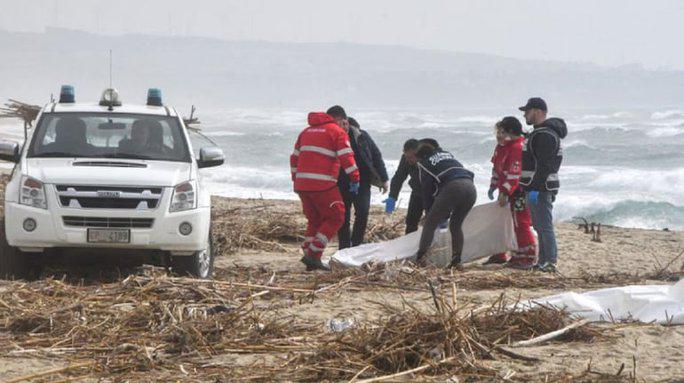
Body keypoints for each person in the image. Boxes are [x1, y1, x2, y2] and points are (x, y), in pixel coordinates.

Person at [290, 111, 361, 271]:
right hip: (322, 184)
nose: (345, 126)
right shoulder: (336, 132)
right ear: (338, 120)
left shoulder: (306, 132)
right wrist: (355, 179)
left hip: (302, 184)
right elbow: (346, 157)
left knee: (315, 219)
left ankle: (309, 251)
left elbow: (294, 158)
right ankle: (314, 255)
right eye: (343, 122)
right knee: (337, 216)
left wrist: (296, 179)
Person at [327, 106, 389, 249]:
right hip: (340, 182)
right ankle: (343, 247)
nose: (331, 127)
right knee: (343, 216)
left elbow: (376, 155)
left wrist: (384, 179)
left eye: (334, 123)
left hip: (362, 181)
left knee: (362, 212)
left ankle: (356, 245)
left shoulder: (361, 135)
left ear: (345, 122)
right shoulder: (330, 137)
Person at [519, 98, 567, 273]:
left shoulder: (544, 135)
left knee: (544, 225)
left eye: (527, 111)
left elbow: (544, 165)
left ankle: (550, 262)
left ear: (538, 111)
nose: (525, 114)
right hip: (540, 186)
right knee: (539, 225)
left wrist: (534, 188)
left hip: (541, 188)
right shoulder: (539, 133)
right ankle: (542, 261)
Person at [483, 117, 537, 269]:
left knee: (521, 222)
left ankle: (527, 256)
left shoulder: (518, 147)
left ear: (511, 132)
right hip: (505, 190)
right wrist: (493, 185)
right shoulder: (501, 147)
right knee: (501, 222)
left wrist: (506, 191)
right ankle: (499, 253)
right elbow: (497, 168)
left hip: (519, 191)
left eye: (501, 132)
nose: (498, 135)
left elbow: (515, 173)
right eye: (497, 132)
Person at [415, 141, 476, 268]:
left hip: (453, 187)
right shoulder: (447, 154)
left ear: (420, 157)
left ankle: (420, 259)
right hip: (470, 187)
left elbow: (427, 191)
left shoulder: (424, 164)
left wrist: (428, 213)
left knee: (430, 224)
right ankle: (456, 261)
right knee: (456, 225)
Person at [385, 138, 439, 234]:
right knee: (410, 222)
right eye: (406, 156)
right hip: (417, 191)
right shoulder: (406, 159)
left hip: (433, 193)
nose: (407, 160)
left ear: (418, 154)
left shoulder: (431, 159)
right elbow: (399, 177)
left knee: (432, 222)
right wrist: (392, 197)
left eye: (410, 157)